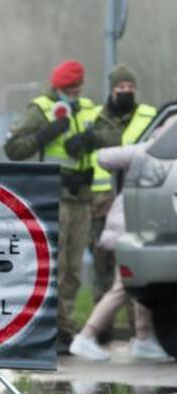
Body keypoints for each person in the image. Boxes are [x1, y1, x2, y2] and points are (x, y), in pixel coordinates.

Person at [4, 60, 98, 354]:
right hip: (53, 198)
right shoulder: (41, 108)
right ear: (58, 87)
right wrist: (48, 133)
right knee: (51, 268)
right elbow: (14, 149)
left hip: (81, 197)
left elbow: (113, 135)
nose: (76, 92)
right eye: (70, 88)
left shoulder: (87, 108)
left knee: (73, 270)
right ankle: (46, 327)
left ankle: (64, 328)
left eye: (78, 87)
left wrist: (90, 138)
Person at [70, 140, 170, 362]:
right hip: (129, 227)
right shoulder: (150, 149)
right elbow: (103, 156)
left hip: (137, 226)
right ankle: (87, 336)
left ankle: (144, 338)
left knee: (140, 281)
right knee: (123, 287)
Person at [88, 65, 156, 339]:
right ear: (112, 89)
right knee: (103, 268)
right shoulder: (94, 117)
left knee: (130, 272)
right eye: (121, 87)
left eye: (130, 87)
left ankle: (134, 332)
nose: (127, 92)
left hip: (131, 200)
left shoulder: (148, 115)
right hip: (99, 200)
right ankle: (100, 333)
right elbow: (92, 156)